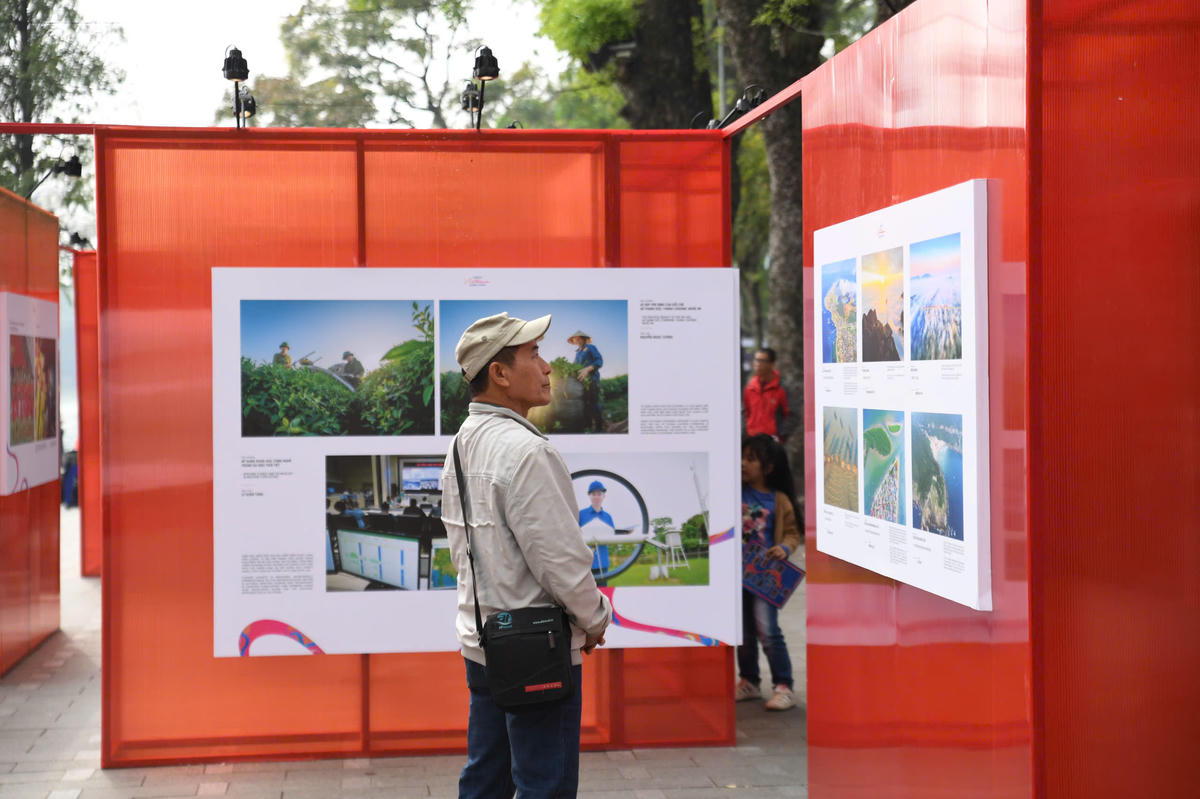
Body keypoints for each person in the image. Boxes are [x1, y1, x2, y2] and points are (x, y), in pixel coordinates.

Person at [442, 311, 612, 799]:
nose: (546, 368)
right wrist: (594, 617)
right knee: (545, 785)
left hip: (484, 642)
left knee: (486, 779)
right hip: (537, 649)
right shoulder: (527, 451)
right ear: (498, 373)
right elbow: (560, 560)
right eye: (533, 355)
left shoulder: (461, 443)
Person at [736, 433, 802, 711]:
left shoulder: (780, 499)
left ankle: (783, 685)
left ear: (769, 467)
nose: (742, 464)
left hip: (764, 576)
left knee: (768, 630)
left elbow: (791, 533)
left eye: (751, 459)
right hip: (737, 576)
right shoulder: (735, 491)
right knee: (742, 631)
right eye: (742, 457)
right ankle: (749, 680)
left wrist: (785, 549)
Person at [743, 347, 791, 440]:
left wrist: (781, 436)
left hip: (772, 442)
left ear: (772, 364)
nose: (757, 364)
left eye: (762, 360)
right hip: (752, 440)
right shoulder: (749, 388)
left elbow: (791, 415)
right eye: (756, 360)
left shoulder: (781, 388)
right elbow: (744, 413)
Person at [568, 330, 604, 432]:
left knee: (594, 402)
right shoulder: (578, 353)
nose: (577, 340)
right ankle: (588, 426)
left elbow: (599, 361)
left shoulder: (590, 348)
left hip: (592, 380)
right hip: (582, 383)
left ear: (584, 339)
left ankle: (599, 427)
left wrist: (588, 369)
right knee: (585, 404)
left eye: (579, 338)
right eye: (575, 338)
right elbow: (575, 367)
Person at [578, 480, 614, 575]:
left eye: (599, 494)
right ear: (589, 496)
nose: (596, 496)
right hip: (585, 564)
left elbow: (612, 536)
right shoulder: (580, 515)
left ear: (603, 496)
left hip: (603, 563)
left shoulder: (608, 517)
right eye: (593, 494)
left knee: (603, 590)